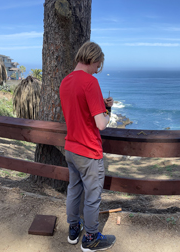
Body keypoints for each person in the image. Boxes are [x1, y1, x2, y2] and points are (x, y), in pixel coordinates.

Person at [60, 41, 116, 251]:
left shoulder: (66, 81)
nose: (97, 71)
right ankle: (91, 238)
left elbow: (78, 107)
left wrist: (100, 104)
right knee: (92, 197)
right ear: (93, 60)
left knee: (74, 190)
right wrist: (108, 112)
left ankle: (74, 229)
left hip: (71, 148)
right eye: (97, 66)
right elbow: (100, 124)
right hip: (88, 151)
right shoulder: (90, 82)